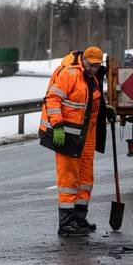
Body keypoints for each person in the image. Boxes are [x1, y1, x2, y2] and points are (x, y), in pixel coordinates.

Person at [39, 46, 117, 236]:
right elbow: (52, 99)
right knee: (68, 180)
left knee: (85, 179)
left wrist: (104, 109)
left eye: (97, 66)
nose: (93, 69)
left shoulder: (93, 78)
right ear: (84, 61)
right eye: (91, 65)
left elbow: (91, 100)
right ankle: (65, 224)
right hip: (67, 135)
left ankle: (80, 220)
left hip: (86, 136)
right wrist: (57, 126)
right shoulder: (70, 74)